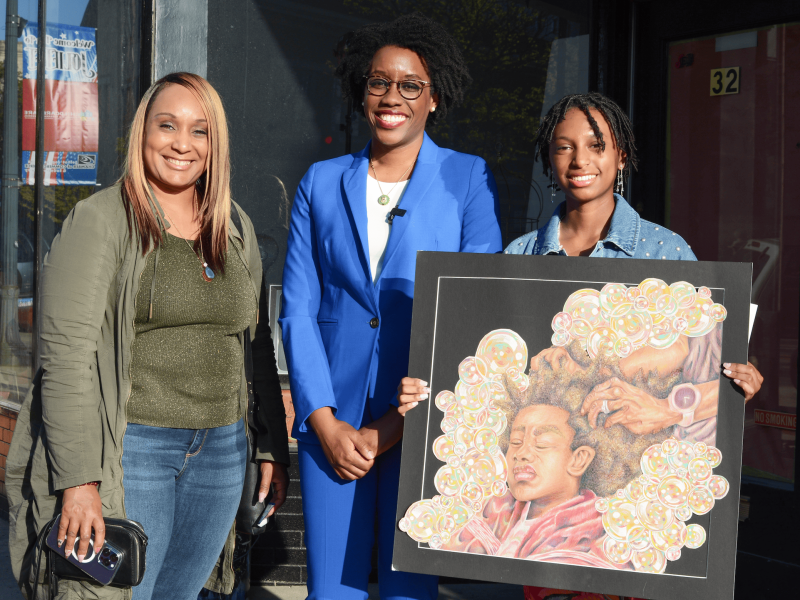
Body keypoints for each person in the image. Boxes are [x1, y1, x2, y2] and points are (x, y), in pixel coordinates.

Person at [6, 72, 290, 600]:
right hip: (133, 451)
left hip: (221, 452)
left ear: (216, 143)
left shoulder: (234, 227)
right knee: (115, 593)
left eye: (200, 130)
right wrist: (79, 482)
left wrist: (269, 446)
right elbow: (65, 361)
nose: (182, 143)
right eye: (167, 125)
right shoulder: (101, 221)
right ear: (143, 133)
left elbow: (253, 345)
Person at [499, 92, 763, 600]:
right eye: (563, 147)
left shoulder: (665, 251)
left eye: (597, 145)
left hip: (639, 509)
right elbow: (497, 384)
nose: (580, 161)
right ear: (549, 159)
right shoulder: (518, 255)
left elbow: (714, 366)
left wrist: (735, 381)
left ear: (622, 156)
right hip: (550, 526)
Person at [279, 13, 502, 600]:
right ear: (362, 90)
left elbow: (479, 305)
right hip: (335, 427)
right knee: (332, 591)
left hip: (426, 418)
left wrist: (398, 425)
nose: (391, 97)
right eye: (379, 82)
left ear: (434, 97)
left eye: (410, 85)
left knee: (412, 591)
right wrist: (322, 421)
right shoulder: (320, 182)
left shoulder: (467, 178)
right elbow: (297, 310)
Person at [443, 340, 677, 565]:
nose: (521, 453)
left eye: (542, 443)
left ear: (579, 459)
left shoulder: (591, 537)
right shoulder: (500, 509)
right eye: (515, 441)